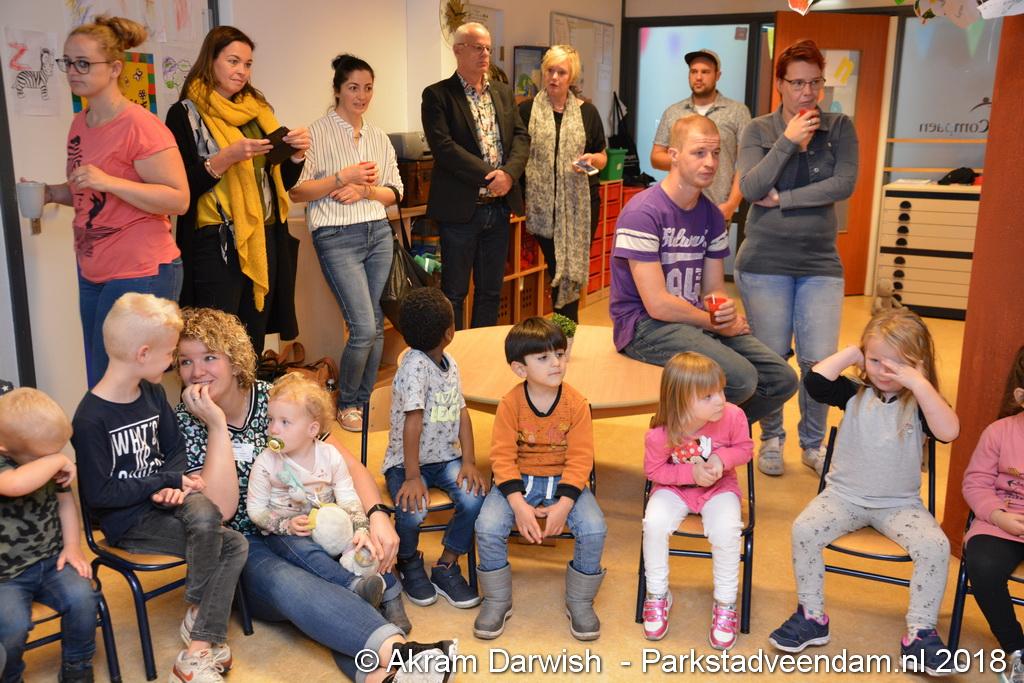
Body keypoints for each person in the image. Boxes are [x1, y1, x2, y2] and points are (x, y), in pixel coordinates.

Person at [175, 307, 458, 681]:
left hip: (312, 525)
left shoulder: (277, 399)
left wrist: (375, 516)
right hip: (245, 546)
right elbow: (221, 510)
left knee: (341, 573)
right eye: (185, 361)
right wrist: (215, 426)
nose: (197, 371)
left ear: (235, 359)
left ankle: (382, 677)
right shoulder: (184, 421)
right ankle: (402, 654)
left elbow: (345, 465)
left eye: (209, 357)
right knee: (297, 585)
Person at [768, 308, 959, 677]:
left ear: (918, 365)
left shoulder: (920, 403)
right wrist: (855, 354)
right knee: (804, 529)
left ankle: (920, 633)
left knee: (935, 546)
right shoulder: (854, 391)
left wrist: (920, 384)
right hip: (843, 497)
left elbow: (949, 432)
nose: (884, 371)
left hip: (899, 505)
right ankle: (811, 616)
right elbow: (815, 383)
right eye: (876, 361)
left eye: (897, 364)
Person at [70, 293, 248, 683]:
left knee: (209, 514)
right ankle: (198, 644)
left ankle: (197, 621)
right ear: (143, 354)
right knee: (232, 544)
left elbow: (174, 449)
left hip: (167, 500)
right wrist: (163, 482)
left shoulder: (151, 393)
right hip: (129, 521)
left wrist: (176, 485)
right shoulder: (90, 418)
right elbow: (99, 496)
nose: (172, 363)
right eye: (170, 354)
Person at [28, 15, 189, 387]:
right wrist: (51, 193)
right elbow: (90, 192)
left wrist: (111, 182)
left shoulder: (140, 126)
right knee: (102, 381)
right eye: (68, 62)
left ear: (115, 68)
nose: (73, 72)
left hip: (141, 269)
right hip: (93, 269)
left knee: (124, 384)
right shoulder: (80, 123)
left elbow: (178, 199)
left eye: (84, 63)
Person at [609, 114, 797, 425]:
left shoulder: (711, 215)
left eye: (716, 153)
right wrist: (716, 324)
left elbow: (713, 289)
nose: (710, 162)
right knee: (741, 379)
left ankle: (709, 436)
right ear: (673, 155)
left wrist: (723, 312)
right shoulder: (642, 213)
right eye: (699, 153)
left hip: (691, 318)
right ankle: (679, 436)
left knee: (781, 378)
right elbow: (657, 305)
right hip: (643, 326)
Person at [734, 39, 859, 477]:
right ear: (780, 84)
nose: (807, 92)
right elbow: (751, 188)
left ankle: (813, 442)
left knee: (819, 360)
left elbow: (843, 184)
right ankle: (771, 438)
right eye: (798, 83)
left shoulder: (839, 127)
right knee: (771, 357)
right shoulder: (758, 130)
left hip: (820, 264)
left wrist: (784, 198)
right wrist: (787, 141)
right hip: (764, 262)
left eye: (815, 82)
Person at [165, 26, 311, 355]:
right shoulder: (185, 114)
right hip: (215, 242)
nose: (241, 71)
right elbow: (181, 188)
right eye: (233, 61)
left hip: (265, 235)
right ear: (211, 61)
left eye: (247, 64)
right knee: (217, 342)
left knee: (252, 341)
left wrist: (296, 155)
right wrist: (225, 159)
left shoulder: (257, 112)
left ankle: (248, 390)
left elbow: (281, 182)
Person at [474, 317, 606, 641]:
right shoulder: (510, 404)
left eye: (559, 354)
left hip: (564, 480)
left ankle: (580, 600)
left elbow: (581, 459)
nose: (557, 363)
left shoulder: (576, 404)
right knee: (487, 527)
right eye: (544, 358)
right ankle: (497, 599)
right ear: (520, 369)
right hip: (519, 480)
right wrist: (518, 506)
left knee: (594, 528)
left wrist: (564, 506)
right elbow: (502, 458)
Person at [289, 54, 401, 433]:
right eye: (353, 87)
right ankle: (348, 401)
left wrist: (366, 190)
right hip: (336, 236)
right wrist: (342, 177)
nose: (361, 95)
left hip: (378, 233)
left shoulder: (378, 136)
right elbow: (297, 191)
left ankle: (364, 401)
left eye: (368, 88)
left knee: (375, 325)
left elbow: (395, 192)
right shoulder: (316, 134)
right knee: (363, 328)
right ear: (337, 90)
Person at [246, 373, 395, 608]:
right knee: (307, 552)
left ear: (312, 429)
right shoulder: (267, 462)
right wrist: (285, 525)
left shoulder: (330, 455)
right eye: (270, 419)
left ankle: (388, 593)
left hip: (329, 526)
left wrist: (361, 529)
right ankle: (353, 586)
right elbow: (255, 509)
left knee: (365, 548)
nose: (273, 429)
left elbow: (348, 497)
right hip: (289, 534)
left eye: (285, 422)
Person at [421, 21, 530, 329]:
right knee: (454, 293)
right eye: (477, 48)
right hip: (460, 212)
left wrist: (508, 175)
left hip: (498, 209)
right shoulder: (438, 95)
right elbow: (444, 148)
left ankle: (483, 349)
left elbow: (521, 137)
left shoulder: (503, 93)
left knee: (491, 292)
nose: (485, 54)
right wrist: (491, 176)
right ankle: (455, 353)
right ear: (458, 50)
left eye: (488, 49)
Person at [640, 352, 752, 649]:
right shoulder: (660, 433)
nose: (720, 400)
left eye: (721, 391)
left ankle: (726, 602)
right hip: (674, 488)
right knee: (654, 524)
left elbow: (745, 449)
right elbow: (654, 471)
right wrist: (690, 473)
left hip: (720, 488)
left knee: (727, 530)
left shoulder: (733, 416)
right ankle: (657, 594)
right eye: (708, 396)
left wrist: (721, 459)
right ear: (680, 400)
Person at [384, 288, 486, 610]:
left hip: (444, 457)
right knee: (413, 511)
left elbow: (462, 412)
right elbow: (412, 423)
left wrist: (469, 461)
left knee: (474, 497)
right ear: (449, 332)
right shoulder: (414, 368)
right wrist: (412, 477)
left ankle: (446, 564)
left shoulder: (450, 363)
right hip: (406, 464)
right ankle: (408, 560)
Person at [0, 388, 99, 683]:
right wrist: (56, 461)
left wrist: (72, 546)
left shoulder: (49, 460)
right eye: (45, 456)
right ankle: (9, 676)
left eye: (58, 451)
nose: (57, 458)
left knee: (84, 598)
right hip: (6, 577)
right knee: (12, 626)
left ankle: (77, 667)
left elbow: (65, 503)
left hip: (51, 561)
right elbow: (14, 484)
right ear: (4, 447)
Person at [518, 45, 607, 323]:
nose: (554, 77)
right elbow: (518, 154)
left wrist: (592, 160)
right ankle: (565, 331)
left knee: (569, 271)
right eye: (550, 71)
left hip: (580, 205)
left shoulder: (587, 112)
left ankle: (565, 331)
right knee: (559, 267)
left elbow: (602, 156)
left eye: (561, 72)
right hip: (543, 207)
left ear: (572, 77)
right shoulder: (527, 111)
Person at [962, 345, 1024, 681]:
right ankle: (1016, 648)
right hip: (1001, 521)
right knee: (982, 566)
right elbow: (975, 484)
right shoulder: (999, 432)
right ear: (1021, 397)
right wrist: (998, 515)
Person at [650, 49, 750, 223]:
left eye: (705, 72)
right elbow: (656, 157)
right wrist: (686, 160)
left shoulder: (737, 112)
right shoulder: (673, 112)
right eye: (693, 71)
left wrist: (731, 204)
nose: (698, 77)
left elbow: (746, 163)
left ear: (718, 75)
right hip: (677, 204)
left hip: (717, 206)